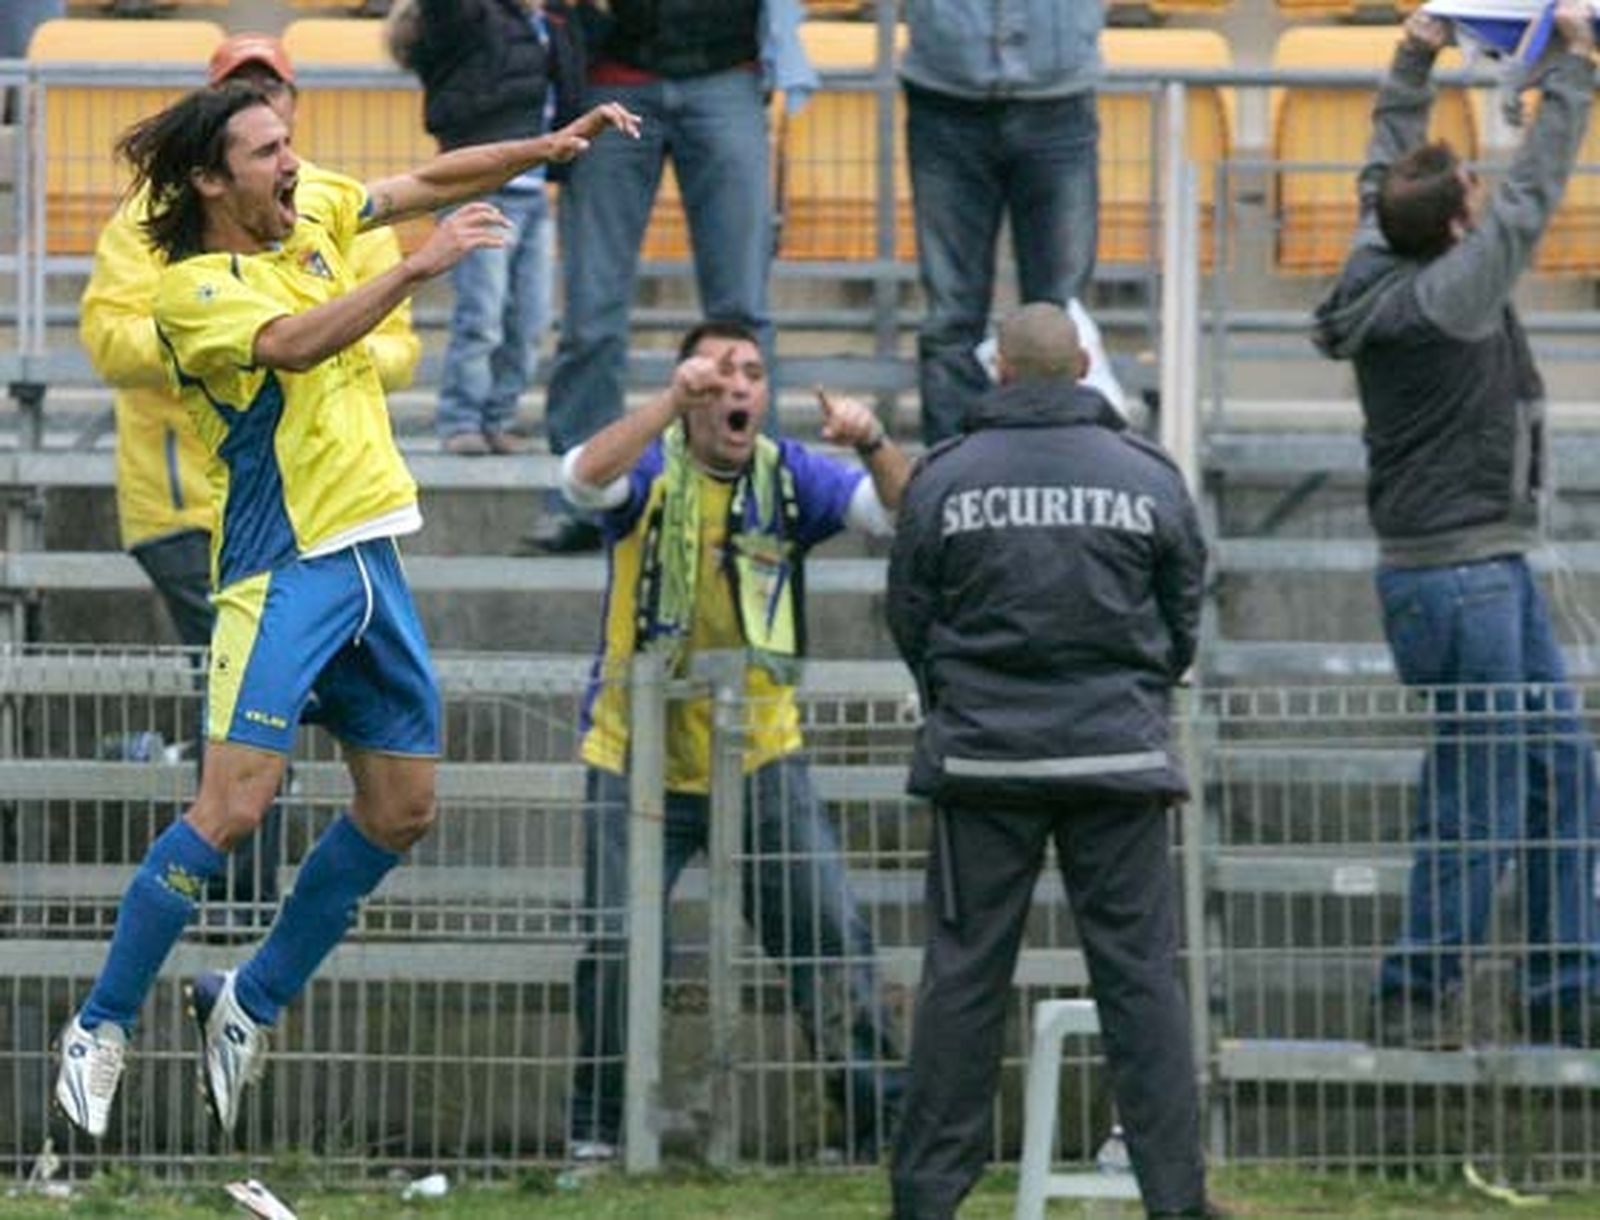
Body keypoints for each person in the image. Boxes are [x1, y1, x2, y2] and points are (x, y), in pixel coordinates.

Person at [53, 78, 640, 1141]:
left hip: (371, 557)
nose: (292, 163)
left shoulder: (310, 203)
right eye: (267, 150)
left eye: (290, 143)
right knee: (233, 805)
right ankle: (99, 1024)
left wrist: (546, 144)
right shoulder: (192, 288)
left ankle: (248, 998)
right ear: (208, 178)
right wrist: (419, 267)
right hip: (280, 570)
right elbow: (292, 343)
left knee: (403, 806)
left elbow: (421, 180)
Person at [79, 32, 422, 931]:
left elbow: (396, 346)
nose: (267, 109)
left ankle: (232, 891)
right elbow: (112, 338)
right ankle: (229, 897)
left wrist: (312, 337)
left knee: (268, 731)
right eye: (243, 91)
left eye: (276, 92)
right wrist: (224, 344)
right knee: (245, 739)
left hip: (311, 507)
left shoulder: (327, 210)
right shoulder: (156, 226)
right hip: (188, 504)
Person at [885, 303, 1212, 1218]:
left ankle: (926, 1199)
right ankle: (1176, 1199)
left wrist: (963, 700)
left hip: (983, 762)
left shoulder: (946, 478)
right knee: (1141, 984)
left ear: (999, 374)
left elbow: (911, 616)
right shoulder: (1146, 476)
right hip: (1117, 757)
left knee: (962, 982)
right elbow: (1182, 614)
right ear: (1081, 370)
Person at [1314, 4, 1600, 1050]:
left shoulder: (1373, 255)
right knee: (1479, 794)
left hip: (1481, 566)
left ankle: (1565, 985)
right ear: (1452, 227)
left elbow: (1384, 160)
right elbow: (1534, 199)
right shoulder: (1448, 294)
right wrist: (1572, 70)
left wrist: (1412, 54)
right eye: (1469, 193)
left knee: (1564, 772)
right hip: (1461, 577)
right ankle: (1415, 993)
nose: (1484, 195)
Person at [563, 318, 908, 1163]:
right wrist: (665, 404)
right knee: (616, 947)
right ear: (690, 393)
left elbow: (900, 513)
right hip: (634, 752)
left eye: (751, 373)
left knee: (829, 936)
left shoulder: (789, 476)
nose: (737, 388)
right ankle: (597, 1137)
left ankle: (873, 1134)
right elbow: (580, 480)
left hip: (759, 750)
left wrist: (873, 440)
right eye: (717, 375)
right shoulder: (651, 462)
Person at [528, 0, 817, 553]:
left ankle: (754, 494)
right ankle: (582, 493)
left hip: (727, 74)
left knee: (743, 312)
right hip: (612, 78)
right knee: (592, 313)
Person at [901, 0, 1102, 447]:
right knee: (951, 319)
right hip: (944, 98)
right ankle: (952, 485)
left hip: (1059, 99)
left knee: (1060, 321)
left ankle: (1058, 480)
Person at [395, 0, 582, 456]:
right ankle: (462, 420)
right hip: (481, 190)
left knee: (530, 319)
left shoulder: (551, 19)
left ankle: (497, 418)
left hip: (534, 192)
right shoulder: (470, 15)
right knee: (482, 316)